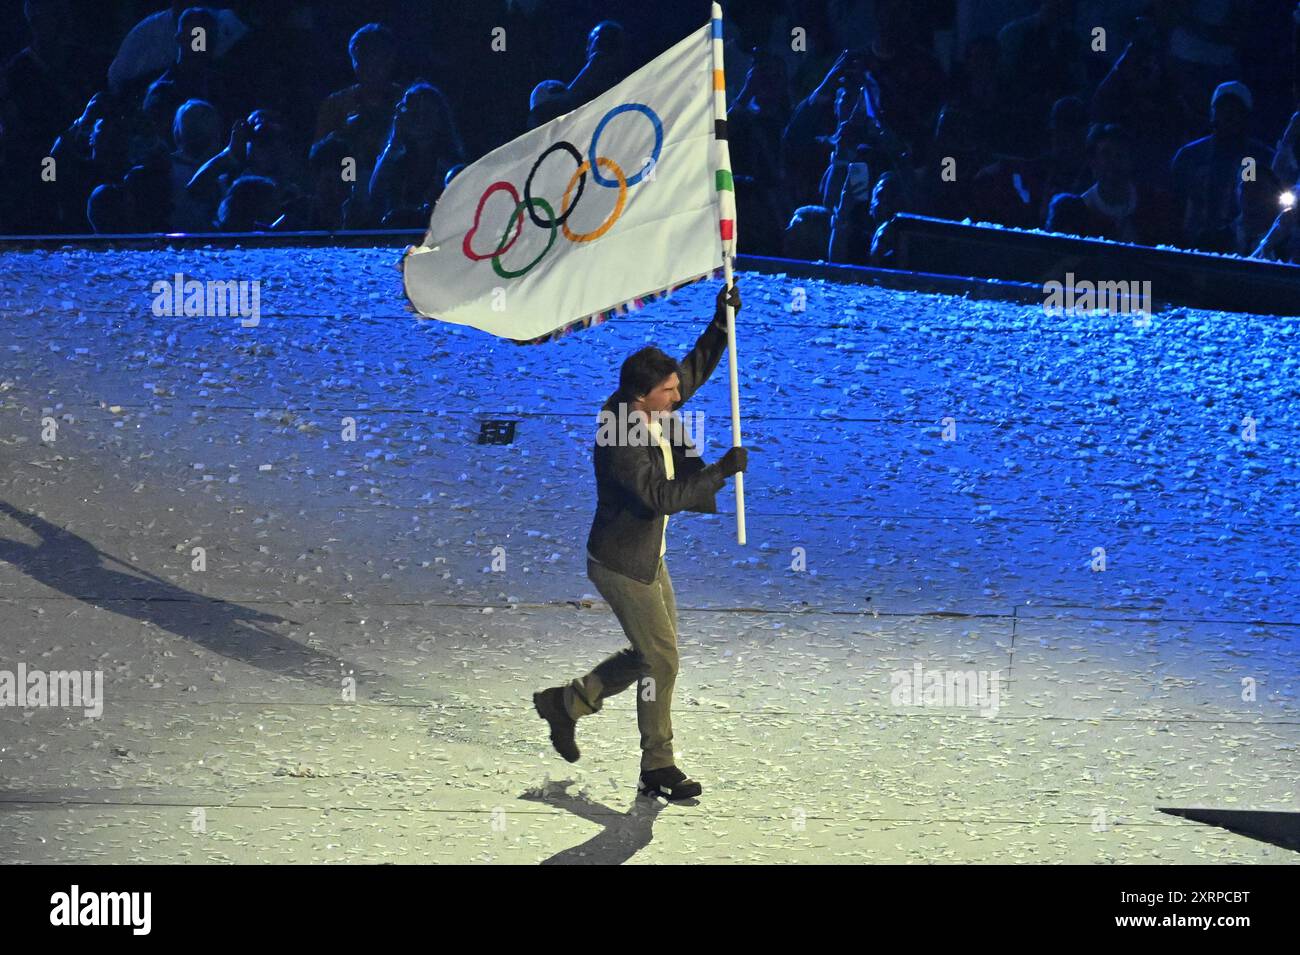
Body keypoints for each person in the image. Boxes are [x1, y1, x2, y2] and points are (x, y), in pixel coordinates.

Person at [533, 283, 749, 802]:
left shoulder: (650, 408)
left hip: (647, 556)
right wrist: (717, 472)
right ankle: (658, 763)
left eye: (675, 390)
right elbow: (657, 497)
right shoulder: (621, 438)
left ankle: (567, 704)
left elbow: (692, 371)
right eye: (669, 393)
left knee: (651, 654)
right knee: (663, 660)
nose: (679, 398)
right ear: (640, 398)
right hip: (622, 562)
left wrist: (721, 323)